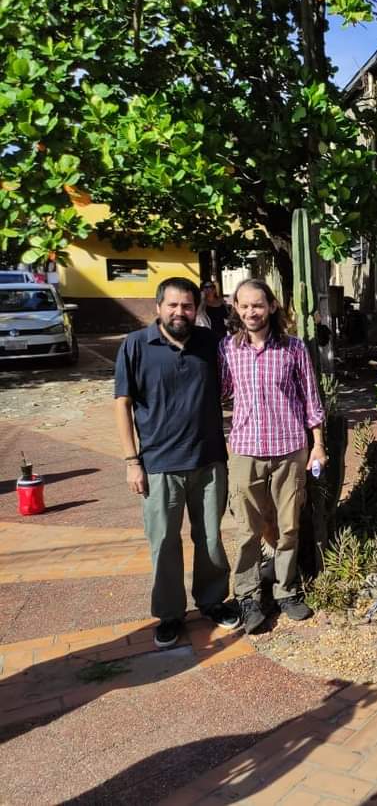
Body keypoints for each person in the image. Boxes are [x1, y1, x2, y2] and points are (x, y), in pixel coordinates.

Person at [114, 277, 239, 649]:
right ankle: (169, 613)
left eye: (187, 306)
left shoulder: (210, 343)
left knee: (211, 538)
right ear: (158, 307)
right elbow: (122, 403)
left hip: (209, 459)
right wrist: (131, 460)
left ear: (195, 308)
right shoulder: (136, 345)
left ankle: (213, 601)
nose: (180, 312)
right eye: (173, 305)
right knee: (165, 541)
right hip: (159, 464)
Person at [219, 278, 326, 634]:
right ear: (236, 308)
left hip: (289, 450)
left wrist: (319, 445)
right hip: (246, 450)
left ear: (272, 306)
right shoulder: (228, 350)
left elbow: (312, 400)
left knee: (289, 526)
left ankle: (286, 590)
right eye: (245, 305)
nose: (252, 312)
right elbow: (219, 394)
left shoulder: (294, 349)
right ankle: (248, 596)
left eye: (258, 305)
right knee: (247, 529)